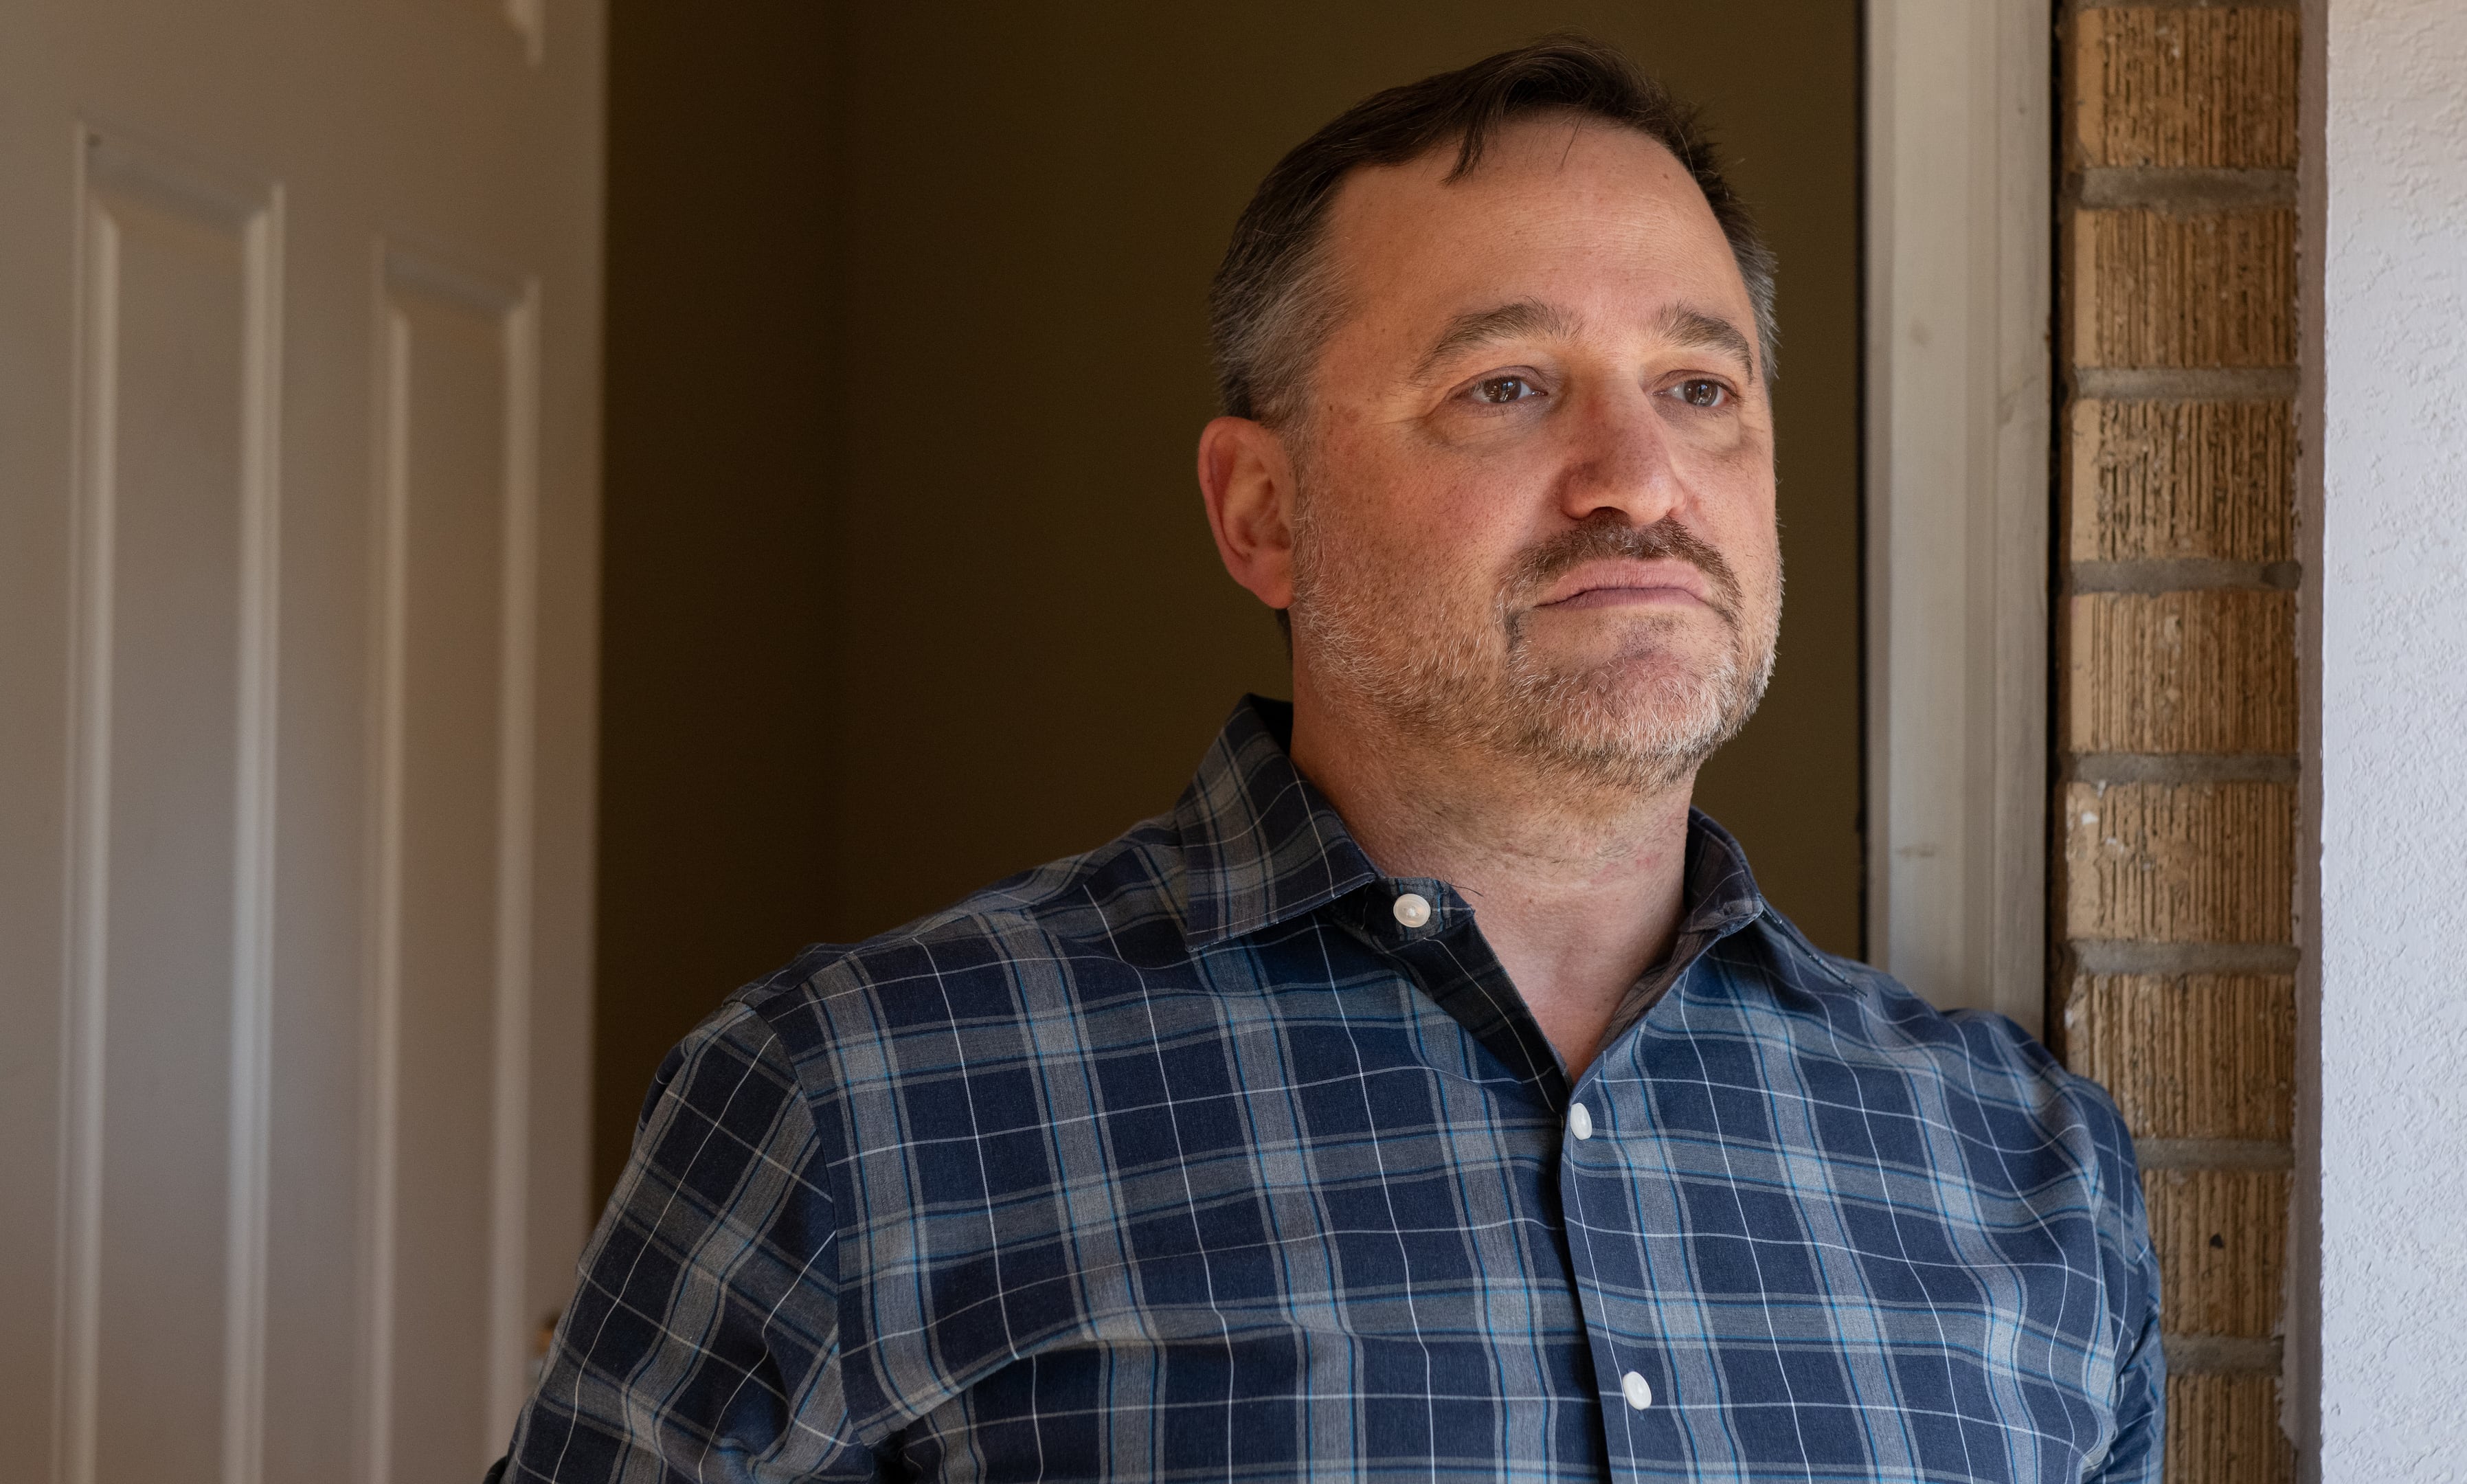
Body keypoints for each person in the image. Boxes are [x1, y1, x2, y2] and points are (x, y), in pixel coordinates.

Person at [493, 35, 2161, 1483]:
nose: (1636, 478)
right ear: (1262, 511)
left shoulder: (2027, 1171)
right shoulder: (852, 1112)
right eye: (1507, 386)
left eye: (1700, 386)